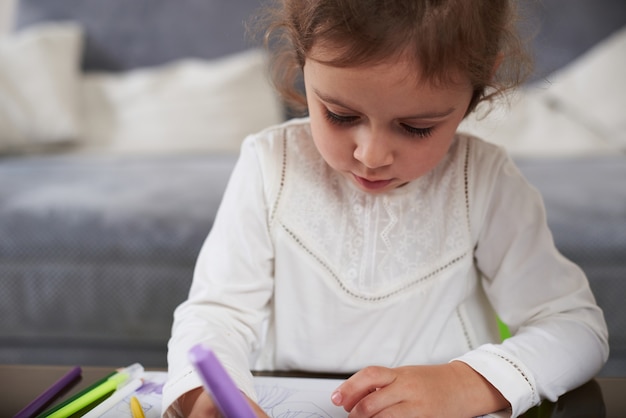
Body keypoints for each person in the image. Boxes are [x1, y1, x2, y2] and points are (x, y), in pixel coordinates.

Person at [163, 0, 609, 417]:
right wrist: (207, 394)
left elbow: (575, 329)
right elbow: (216, 314)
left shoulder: (484, 181)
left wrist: (464, 384)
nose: (372, 155)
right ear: (302, 59)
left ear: (479, 85)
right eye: (340, 115)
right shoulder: (270, 166)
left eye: (416, 127)